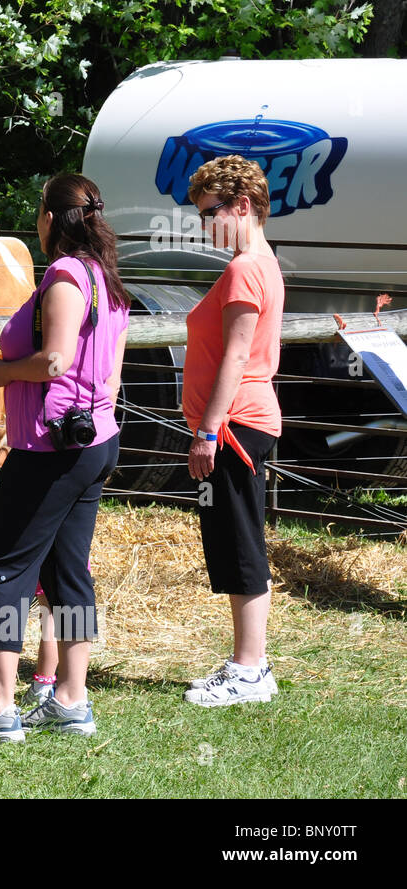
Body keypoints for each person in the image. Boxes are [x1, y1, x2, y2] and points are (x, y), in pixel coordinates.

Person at [0, 174, 129, 741]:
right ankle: (71, 700)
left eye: (38, 211)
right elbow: (111, 373)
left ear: (52, 218)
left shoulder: (66, 279)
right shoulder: (109, 281)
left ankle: (0, 711)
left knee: (3, 569)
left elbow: (53, 362)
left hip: (48, 450)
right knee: (68, 571)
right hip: (93, 442)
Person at [181, 155, 283, 706]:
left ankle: (250, 670)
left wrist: (207, 430)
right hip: (240, 421)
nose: (203, 224)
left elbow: (238, 358)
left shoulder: (246, 267)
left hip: (237, 423)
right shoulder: (258, 262)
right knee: (234, 540)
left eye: (209, 212)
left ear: (241, 206)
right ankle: (248, 664)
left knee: (240, 545)